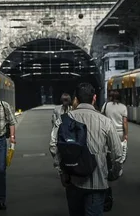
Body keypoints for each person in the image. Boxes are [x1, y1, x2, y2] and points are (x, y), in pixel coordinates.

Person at [49, 82, 124, 216]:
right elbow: (118, 153)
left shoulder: (64, 119)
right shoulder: (105, 121)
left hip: (72, 179)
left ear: (75, 99)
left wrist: (62, 172)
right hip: (98, 181)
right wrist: (114, 173)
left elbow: (53, 146)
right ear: (94, 98)